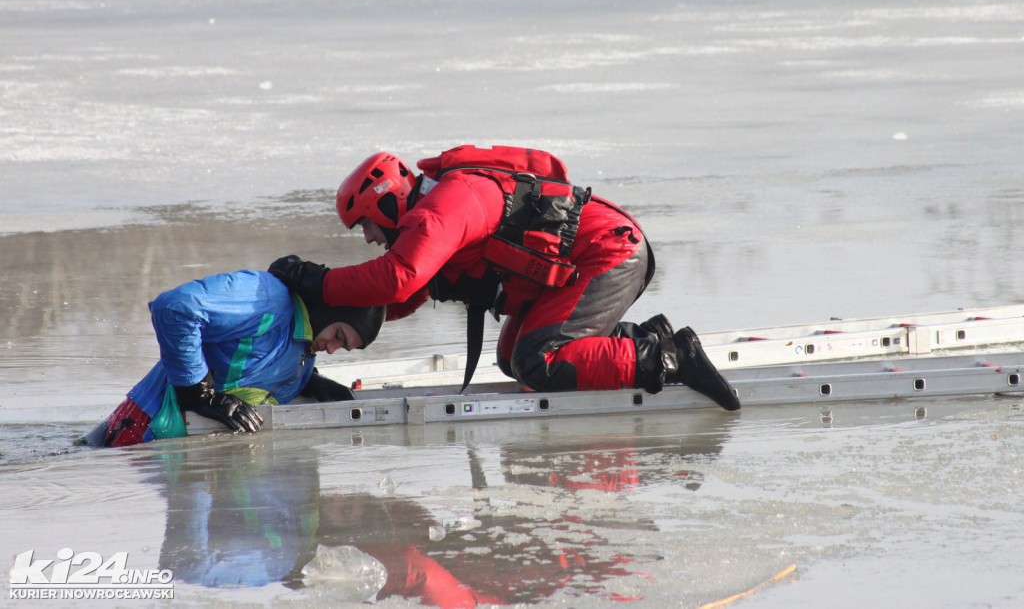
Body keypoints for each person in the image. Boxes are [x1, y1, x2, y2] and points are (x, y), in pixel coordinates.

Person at [270, 144, 740, 410]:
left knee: (540, 363)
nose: (369, 238)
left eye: (367, 226)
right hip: (581, 267)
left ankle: (669, 355)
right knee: (512, 357)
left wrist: (316, 280)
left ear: (384, 202)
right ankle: (636, 338)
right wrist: (326, 327)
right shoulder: (429, 219)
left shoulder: (444, 206)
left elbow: (398, 278)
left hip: (608, 252)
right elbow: (407, 295)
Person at [78, 269, 385, 448]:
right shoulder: (266, 297)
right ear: (330, 309)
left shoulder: (304, 344)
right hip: (139, 431)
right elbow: (175, 308)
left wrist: (310, 383)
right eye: (339, 336)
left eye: (342, 348)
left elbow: (254, 370)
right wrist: (197, 392)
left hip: (179, 451)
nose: (331, 348)